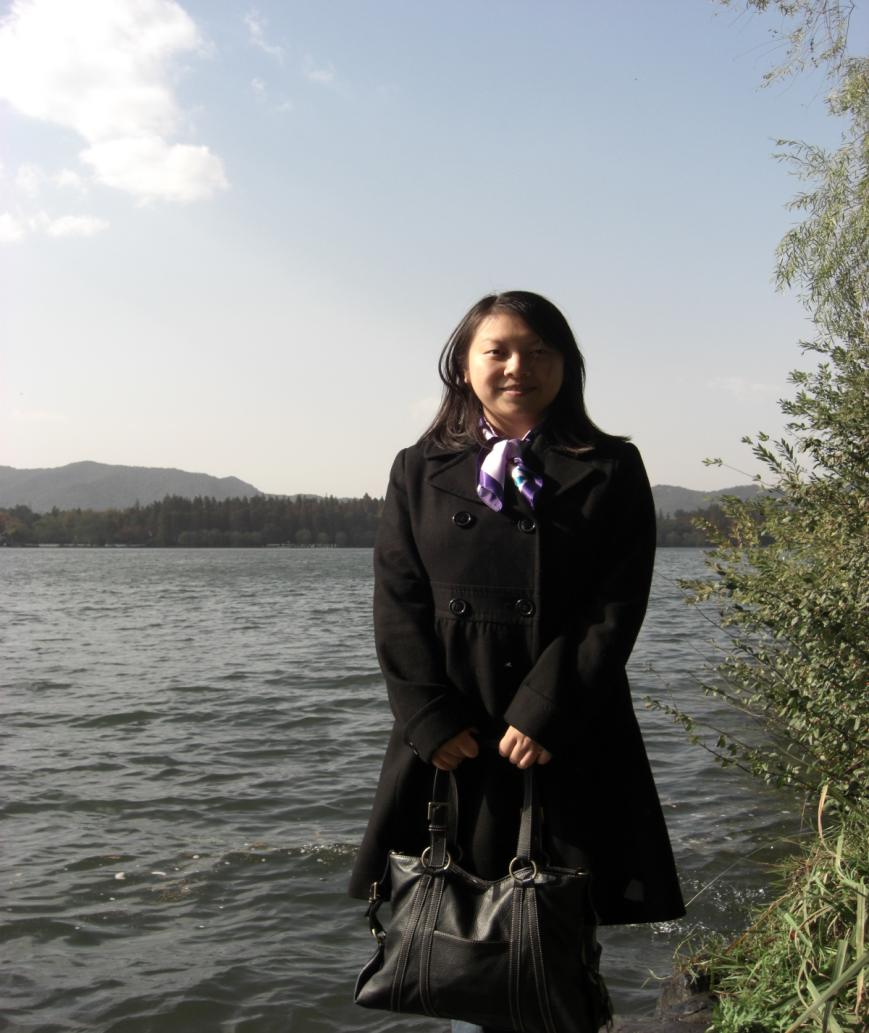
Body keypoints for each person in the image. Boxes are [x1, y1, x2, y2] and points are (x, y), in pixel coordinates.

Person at [349, 290, 685, 1030]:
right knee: (461, 939)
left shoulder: (611, 467)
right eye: (496, 350)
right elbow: (397, 599)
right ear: (463, 365)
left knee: (555, 933)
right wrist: (427, 717)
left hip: (566, 726)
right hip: (457, 735)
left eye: (538, 351)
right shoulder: (418, 468)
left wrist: (546, 710)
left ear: (566, 364)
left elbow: (614, 605)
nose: (517, 367)